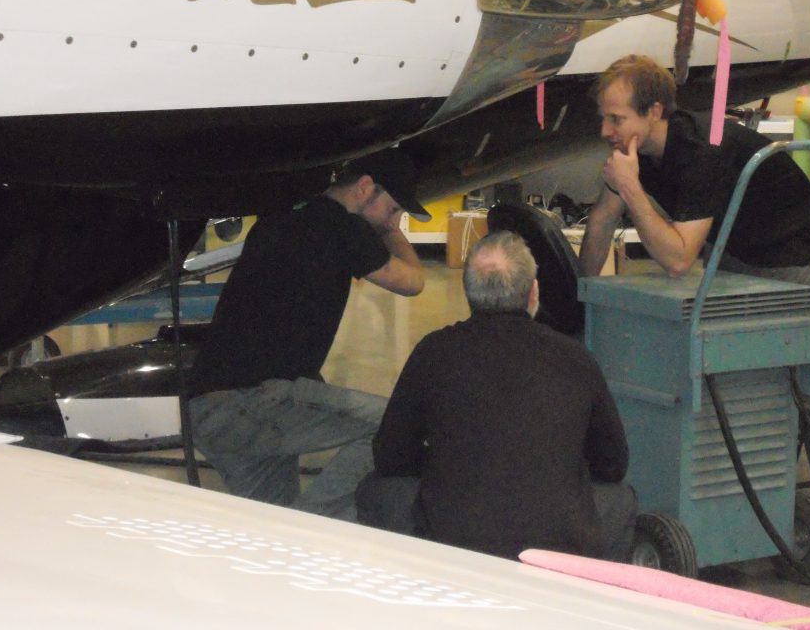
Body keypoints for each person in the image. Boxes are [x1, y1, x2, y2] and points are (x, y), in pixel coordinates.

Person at [579, 55, 810, 570]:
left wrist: (631, 189)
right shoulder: (633, 151)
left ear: (653, 112)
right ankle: (723, 494)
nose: (606, 131)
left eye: (617, 119)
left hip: (778, 254)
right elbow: (603, 221)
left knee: (799, 380)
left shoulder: (701, 154)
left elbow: (675, 259)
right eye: (604, 118)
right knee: (698, 365)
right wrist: (585, 302)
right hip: (727, 251)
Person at [357, 231, 637, 562]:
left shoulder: (434, 352)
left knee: (375, 491)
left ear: (468, 293)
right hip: (558, 544)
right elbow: (613, 464)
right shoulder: (575, 357)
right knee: (620, 498)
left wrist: (447, 463)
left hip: (455, 540)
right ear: (534, 292)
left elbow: (390, 456)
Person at [187, 147, 428, 522]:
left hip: (211, 408)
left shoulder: (284, 214)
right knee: (392, 427)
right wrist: (392, 232)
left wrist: (385, 220)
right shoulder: (341, 226)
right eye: (393, 208)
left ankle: (298, 532)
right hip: (256, 400)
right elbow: (413, 282)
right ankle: (316, 526)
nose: (391, 220)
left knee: (274, 528)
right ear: (365, 187)